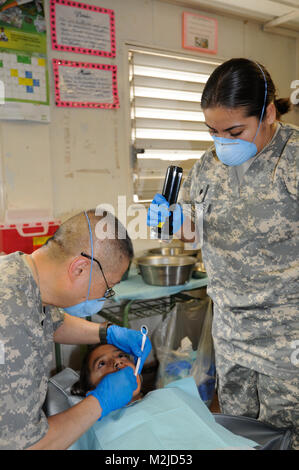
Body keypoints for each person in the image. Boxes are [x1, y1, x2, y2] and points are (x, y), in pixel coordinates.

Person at [147, 58, 299, 449]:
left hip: (288, 343)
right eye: (213, 132)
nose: (222, 142)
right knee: (236, 434)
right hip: (231, 334)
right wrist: (174, 221)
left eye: (234, 130)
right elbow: (195, 232)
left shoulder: (293, 159)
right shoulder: (208, 167)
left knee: (288, 438)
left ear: (267, 113)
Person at [0, 208, 151, 450]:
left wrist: (107, 332)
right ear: (79, 269)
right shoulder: (10, 325)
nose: (104, 296)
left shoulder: (21, 275)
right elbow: (28, 447)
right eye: (107, 287)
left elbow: (51, 321)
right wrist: (101, 402)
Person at [68, 343, 257, 450]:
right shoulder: (84, 425)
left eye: (122, 356)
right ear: (89, 388)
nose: (117, 362)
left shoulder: (174, 396)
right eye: (102, 364)